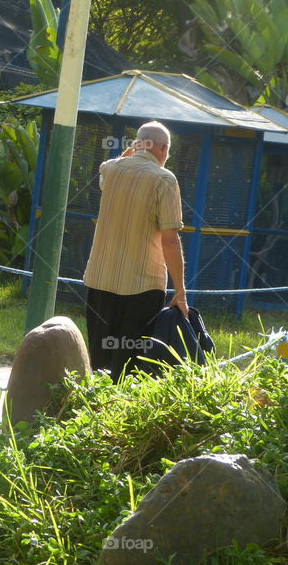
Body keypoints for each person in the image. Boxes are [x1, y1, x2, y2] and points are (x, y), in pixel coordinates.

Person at [83, 121, 188, 381]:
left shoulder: (111, 170)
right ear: (164, 149)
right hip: (143, 285)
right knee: (131, 365)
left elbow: (114, 163)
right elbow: (170, 239)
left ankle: (93, 411)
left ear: (138, 144)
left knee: (99, 357)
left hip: (100, 280)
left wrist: (135, 148)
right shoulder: (164, 180)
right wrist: (180, 291)